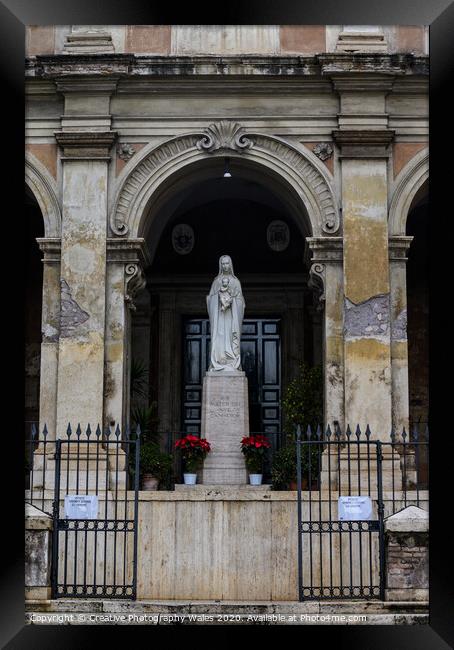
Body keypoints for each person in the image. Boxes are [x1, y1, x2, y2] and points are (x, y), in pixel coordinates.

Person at [207, 255, 245, 371]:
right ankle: (220, 358)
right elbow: (209, 299)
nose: (225, 266)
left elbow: (241, 302)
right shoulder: (217, 282)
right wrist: (218, 298)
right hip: (219, 318)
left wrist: (232, 300)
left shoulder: (235, 282)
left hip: (231, 317)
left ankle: (232, 358)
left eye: (227, 263)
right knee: (220, 335)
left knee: (230, 335)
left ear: (230, 264)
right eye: (223, 264)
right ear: (220, 265)